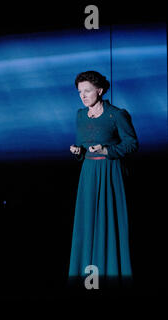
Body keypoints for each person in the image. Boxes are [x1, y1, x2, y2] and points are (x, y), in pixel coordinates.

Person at [68, 71, 138, 288]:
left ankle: (111, 273)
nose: (83, 96)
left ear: (99, 90)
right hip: (88, 173)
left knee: (108, 220)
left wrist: (107, 150)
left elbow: (132, 144)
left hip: (110, 172)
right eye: (80, 92)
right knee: (87, 221)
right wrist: (77, 151)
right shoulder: (80, 115)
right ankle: (87, 276)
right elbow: (83, 149)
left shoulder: (116, 115)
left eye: (87, 91)